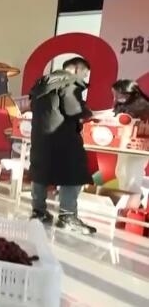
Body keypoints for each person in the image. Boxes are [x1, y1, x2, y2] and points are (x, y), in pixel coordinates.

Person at [29, 57, 96, 234]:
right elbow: (73, 110)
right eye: (85, 73)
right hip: (63, 137)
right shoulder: (70, 82)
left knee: (41, 171)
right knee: (73, 173)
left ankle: (38, 212)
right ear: (76, 69)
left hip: (40, 138)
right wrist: (89, 113)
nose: (85, 77)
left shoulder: (41, 83)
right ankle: (67, 217)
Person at [111, 79, 149, 209]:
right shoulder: (125, 105)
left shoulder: (142, 106)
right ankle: (135, 201)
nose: (115, 98)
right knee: (121, 172)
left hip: (138, 147)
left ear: (127, 92)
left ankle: (132, 209)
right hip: (126, 145)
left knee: (131, 177)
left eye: (117, 94)